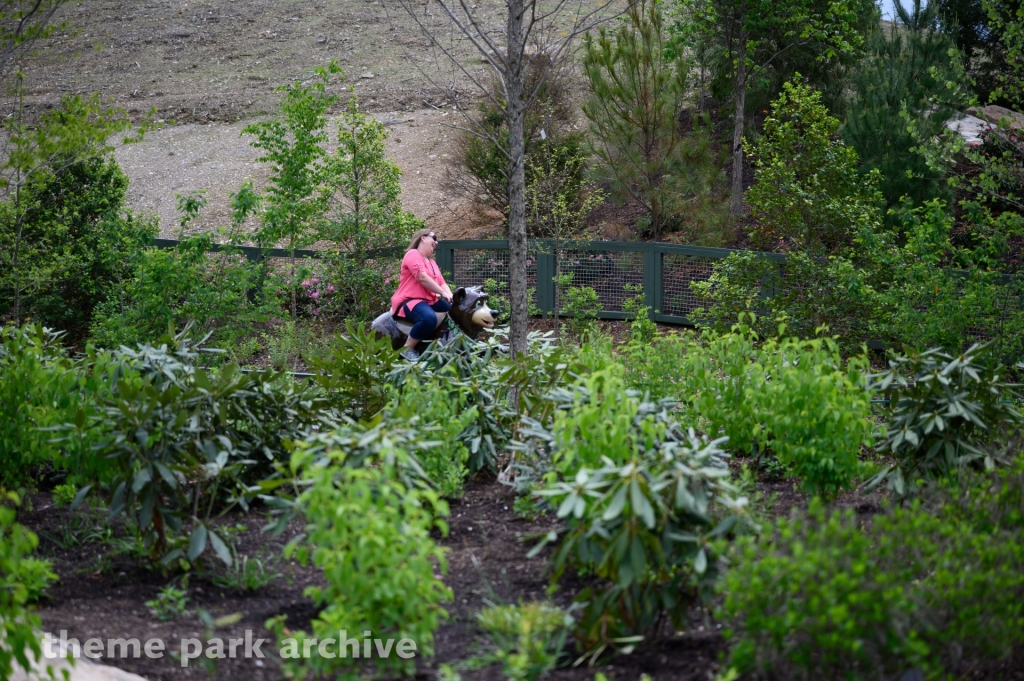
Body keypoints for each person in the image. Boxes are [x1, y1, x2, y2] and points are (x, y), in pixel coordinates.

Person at [391, 228, 453, 361]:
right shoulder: (413, 254)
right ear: (423, 238)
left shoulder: (432, 263)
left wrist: (449, 295)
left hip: (430, 301)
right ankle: (407, 349)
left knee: (456, 312)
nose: (436, 243)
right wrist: (442, 293)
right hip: (410, 300)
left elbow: (442, 282)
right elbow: (422, 278)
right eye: (434, 238)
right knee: (429, 318)